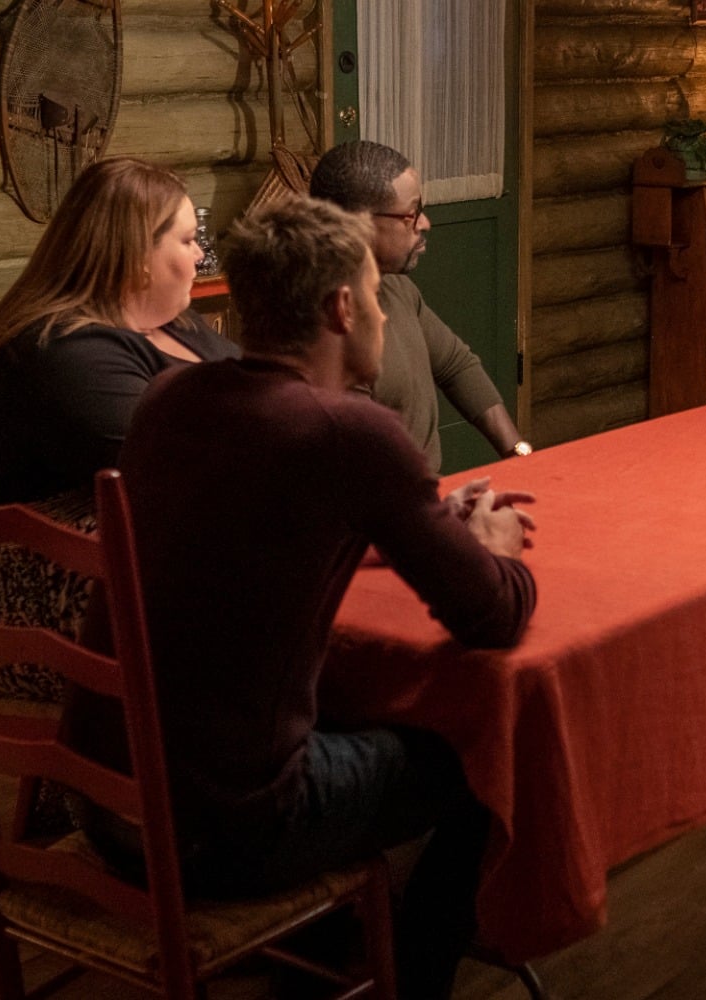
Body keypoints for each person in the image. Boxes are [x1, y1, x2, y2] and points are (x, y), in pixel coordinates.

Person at [80, 194, 536, 1000]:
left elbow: (277, 531)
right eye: (375, 297)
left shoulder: (169, 399)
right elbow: (493, 616)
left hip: (107, 808)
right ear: (341, 308)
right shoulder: (349, 432)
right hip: (224, 834)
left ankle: (331, 953)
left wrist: (426, 521)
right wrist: (491, 546)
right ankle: (410, 985)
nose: (385, 318)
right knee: (487, 758)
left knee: (346, 715)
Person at [0, 156, 239, 504]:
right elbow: (169, 471)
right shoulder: (67, 351)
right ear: (139, 256)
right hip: (68, 537)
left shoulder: (173, 319)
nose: (199, 255)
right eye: (188, 240)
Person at [307, 140, 529, 473]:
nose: (425, 223)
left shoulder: (398, 289)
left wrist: (520, 455)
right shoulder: (330, 330)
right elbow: (363, 475)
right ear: (359, 224)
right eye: (412, 214)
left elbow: (456, 366)